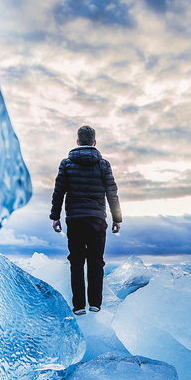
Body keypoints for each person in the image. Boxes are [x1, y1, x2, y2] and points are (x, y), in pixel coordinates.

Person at [50, 125, 122, 315]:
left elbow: (59, 192)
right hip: (97, 219)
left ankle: (79, 306)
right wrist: (117, 218)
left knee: (76, 262)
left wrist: (55, 216)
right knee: (96, 261)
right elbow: (111, 193)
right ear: (94, 142)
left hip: (74, 219)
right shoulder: (103, 164)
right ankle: (95, 304)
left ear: (77, 141)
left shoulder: (66, 164)